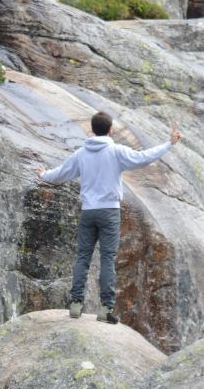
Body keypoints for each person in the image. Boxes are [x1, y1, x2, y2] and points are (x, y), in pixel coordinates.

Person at [36, 112, 182, 323]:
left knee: (83, 257)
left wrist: (43, 174)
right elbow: (144, 158)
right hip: (109, 212)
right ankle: (105, 309)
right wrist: (169, 143)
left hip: (88, 212)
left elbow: (60, 174)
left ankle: (75, 305)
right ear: (111, 130)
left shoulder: (81, 154)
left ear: (92, 130)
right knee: (107, 259)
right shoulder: (116, 151)